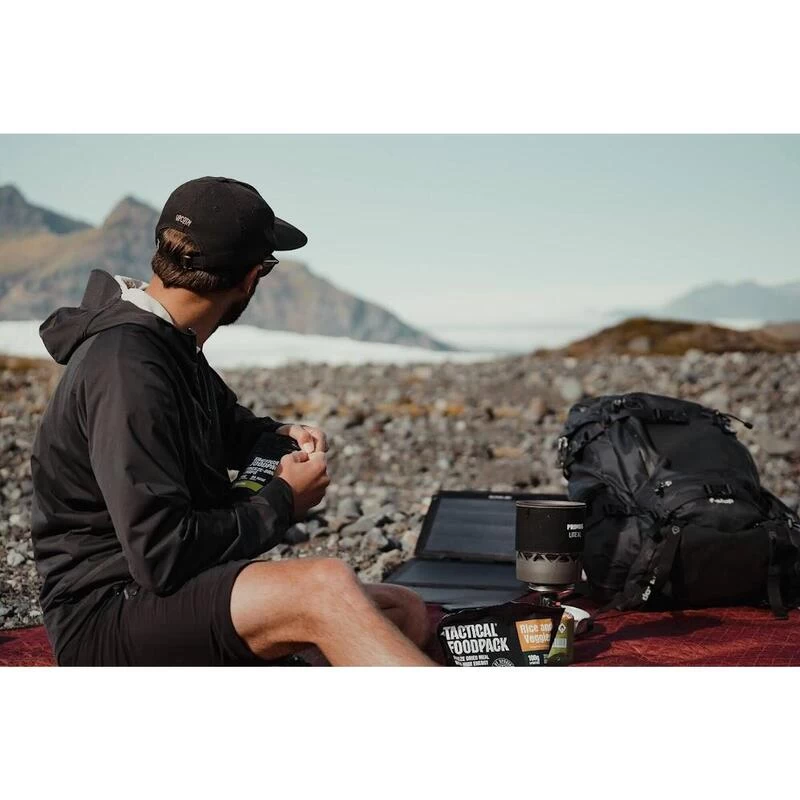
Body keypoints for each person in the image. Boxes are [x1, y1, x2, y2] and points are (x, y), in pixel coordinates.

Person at [30, 176, 433, 666]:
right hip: (107, 611)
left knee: (402, 609)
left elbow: (226, 423)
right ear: (251, 278)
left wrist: (277, 436)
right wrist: (283, 500)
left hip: (160, 592)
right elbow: (162, 554)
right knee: (324, 587)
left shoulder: (167, 343)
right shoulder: (127, 366)